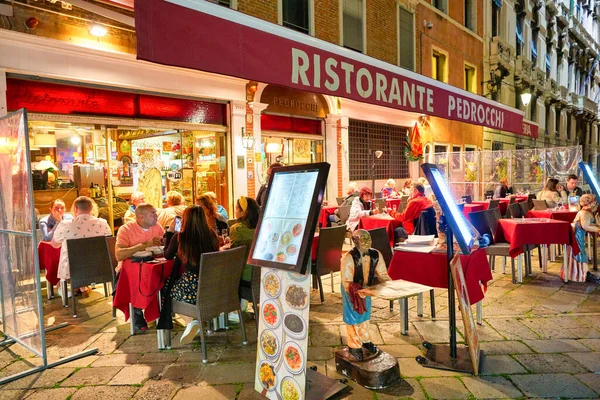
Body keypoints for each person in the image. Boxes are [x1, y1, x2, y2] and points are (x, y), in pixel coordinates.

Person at [162, 205, 220, 344]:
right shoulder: (212, 235)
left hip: (191, 286)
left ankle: (191, 320)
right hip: (212, 285)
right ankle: (194, 321)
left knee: (166, 291)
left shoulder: (179, 237)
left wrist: (169, 233)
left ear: (185, 220)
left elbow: (167, 256)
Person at [340, 229, 391, 361]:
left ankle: (365, 339)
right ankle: (354, 345)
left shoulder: (375, 254)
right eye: (363, 239)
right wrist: (357, 292)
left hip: (366, 288)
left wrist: (392, 286)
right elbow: (346, 281)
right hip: (351, 290)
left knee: (365, 315)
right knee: (353, 316)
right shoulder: (348, 257)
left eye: (369, 239)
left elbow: (383, 275)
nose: (367, 242)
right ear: (355, 241)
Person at [115, 203, 165, 331]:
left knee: (168, 276)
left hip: (153, 267)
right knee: (139, 281)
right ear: (141, 217)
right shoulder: (126, 229)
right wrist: (143, 245)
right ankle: (137, 313)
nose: (156, 216)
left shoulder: (157, 227)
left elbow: (164, 243)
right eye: (152, 214)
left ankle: (163, 310)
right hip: (128, 271)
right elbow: (119, 255)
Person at [51, 196, 111, 297]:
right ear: (92, 208)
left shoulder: (66, 225)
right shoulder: (102, 223)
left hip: (73, 270)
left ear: (75, 209)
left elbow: (55, 244)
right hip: (100, 267)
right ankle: (84, 287)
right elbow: (109, 242)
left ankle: (71, 292)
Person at [567, 194, 599, 282]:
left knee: (581, 254)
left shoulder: (587, 212)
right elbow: (586, 226)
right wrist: (598, 229)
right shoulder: (584, 213)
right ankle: (583, 273)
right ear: (589, 203)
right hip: (577, 236)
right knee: (581, 254)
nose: (596, 204)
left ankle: (583, 272)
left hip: (580, 236)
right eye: (594, 202)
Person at [229, 196, 260, 284]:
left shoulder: (236, 229)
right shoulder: (263, 227)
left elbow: (233, 255)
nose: (235, 212)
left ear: (244, 212)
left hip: (244, 276)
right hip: (260, 274)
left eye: (236, 209)